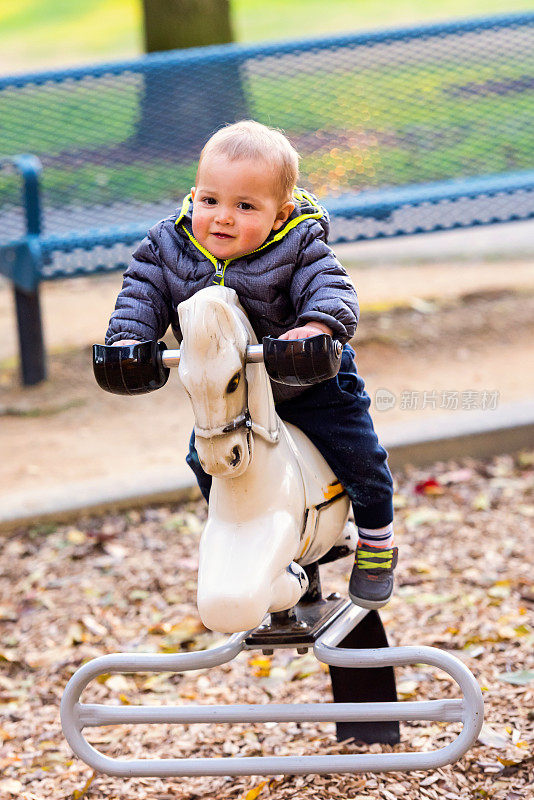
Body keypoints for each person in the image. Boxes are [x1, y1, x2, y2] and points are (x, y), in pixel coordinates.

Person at [106, 120, 397, 609]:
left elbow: (332, 288)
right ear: (193, 194)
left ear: (279, 212)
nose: (222, 218)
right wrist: (129, 339)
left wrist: (317, 328)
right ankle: (248, 537)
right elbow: (142, 292)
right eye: (211, 200)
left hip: (306, 380)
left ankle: (375, 540)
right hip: (232, 394)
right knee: (207, 459)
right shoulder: (168, 246)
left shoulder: (299, 244)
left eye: (245, 206)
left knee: (359, 455)